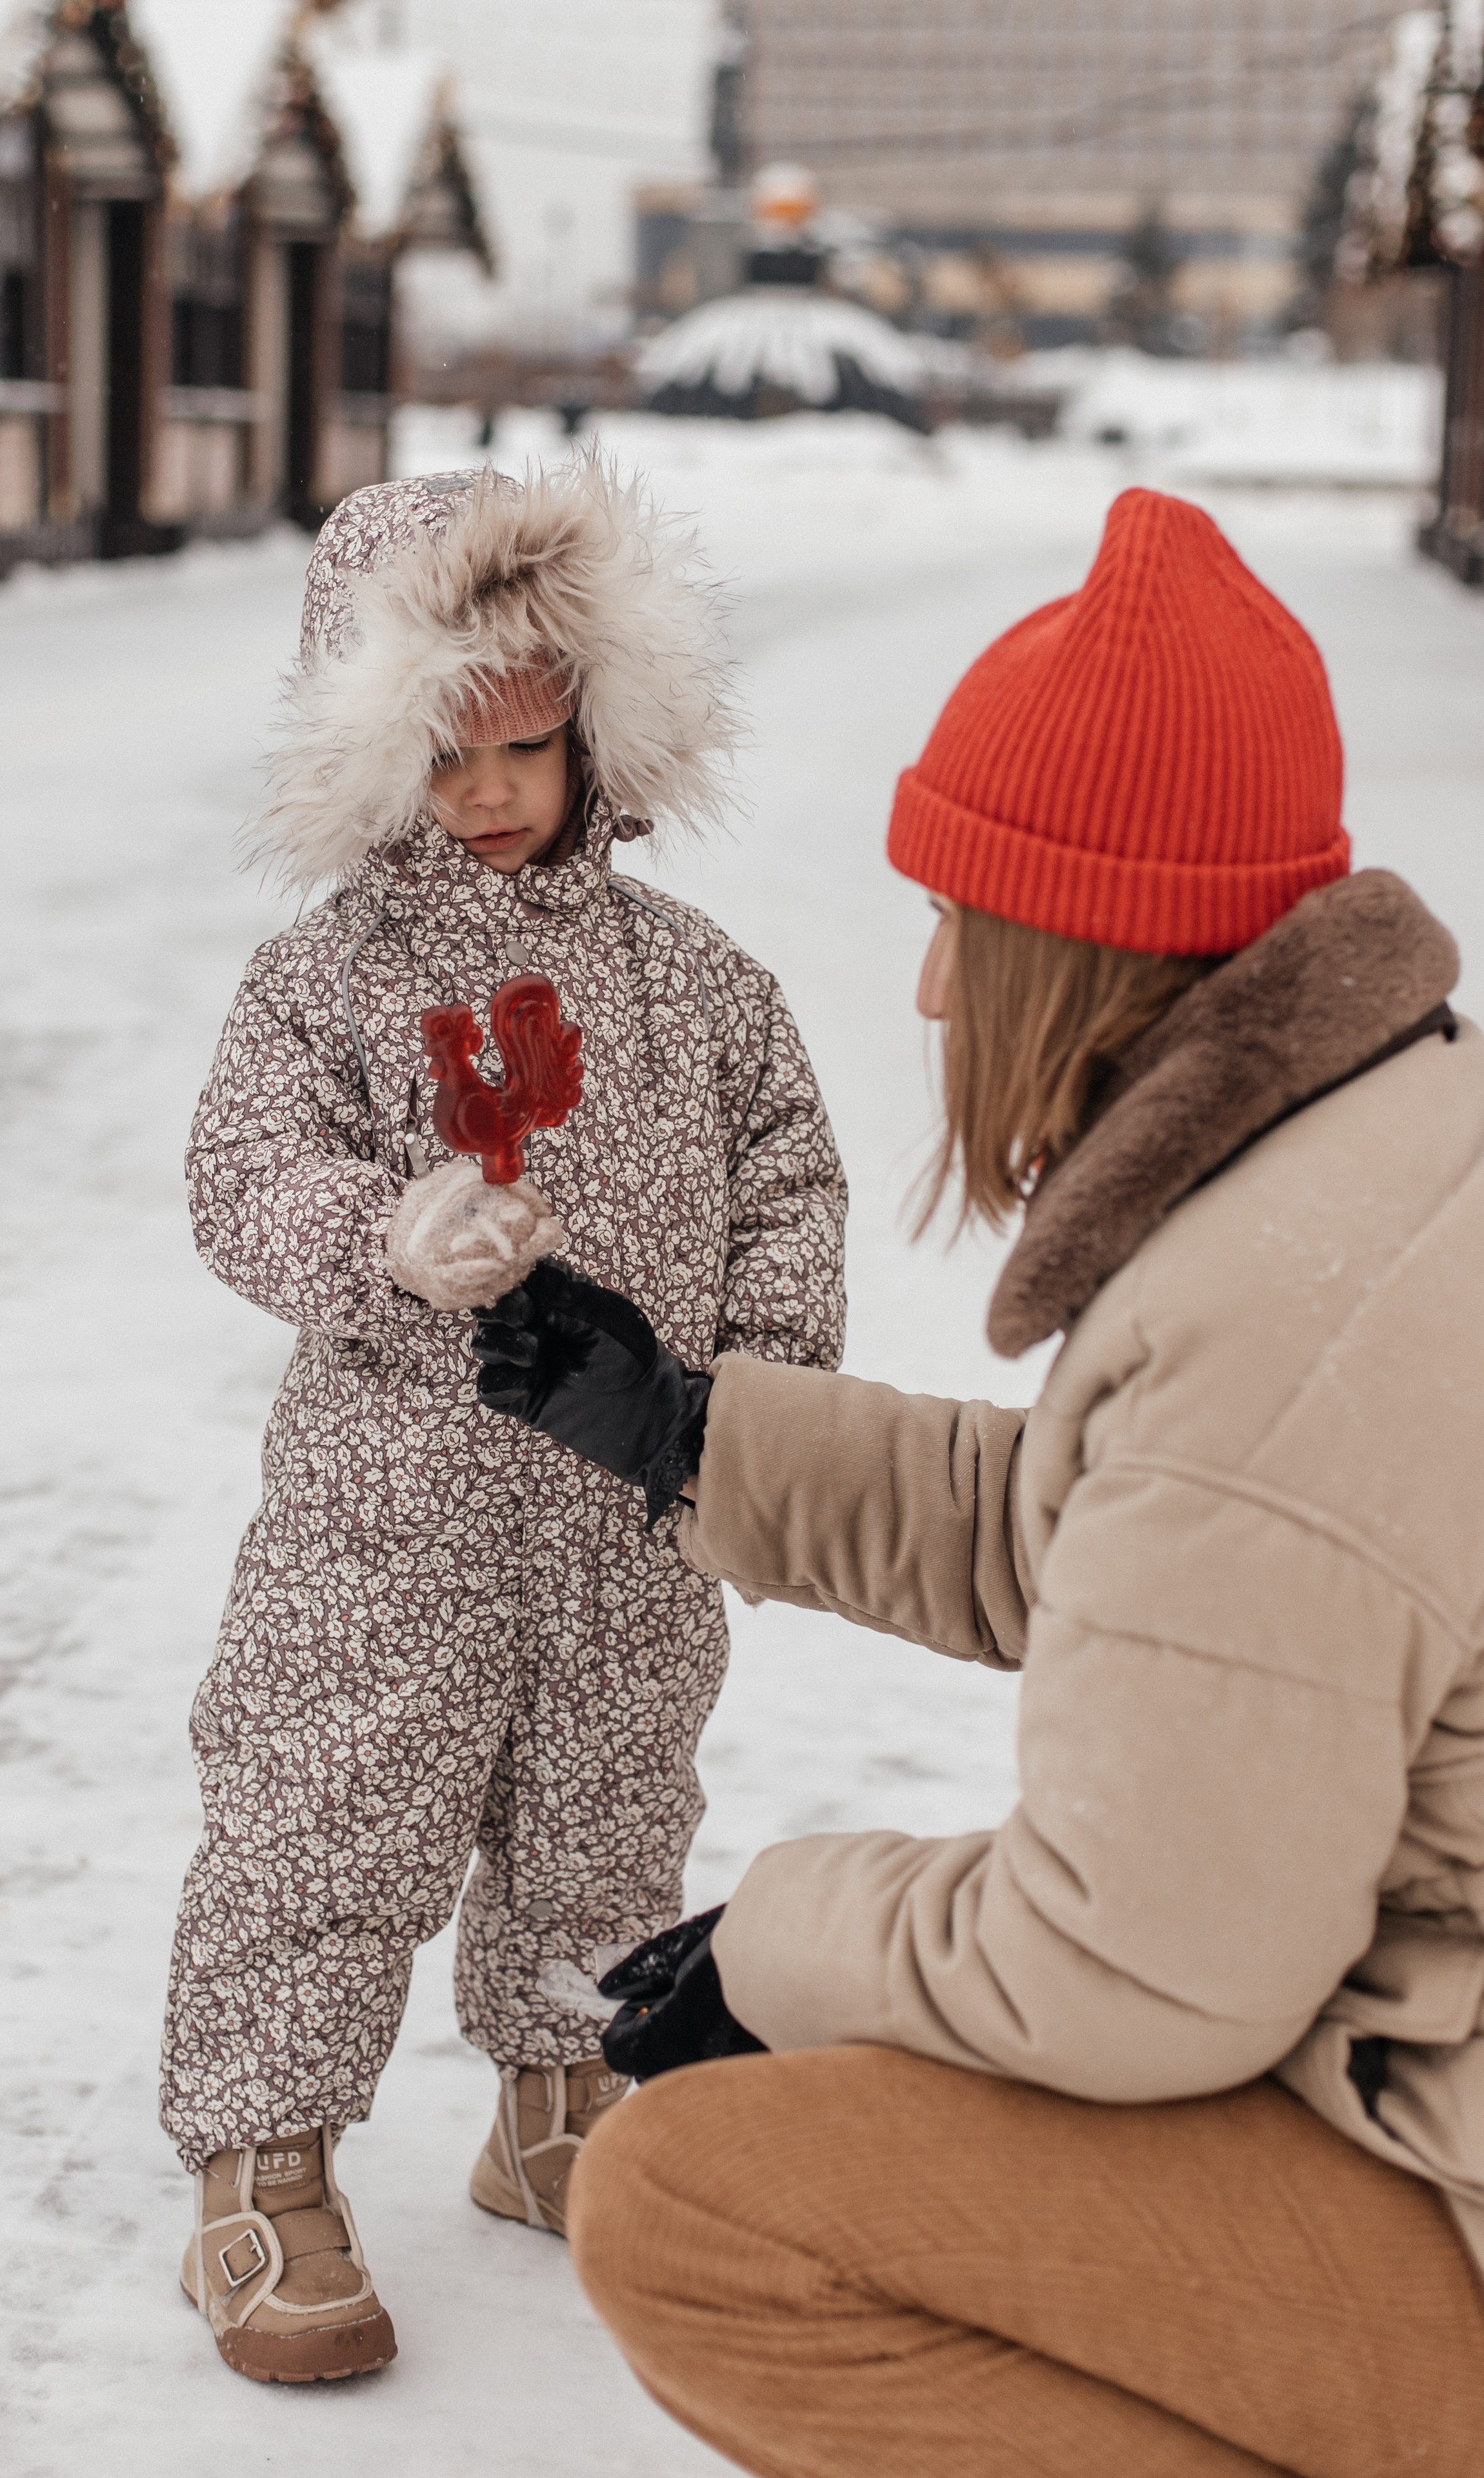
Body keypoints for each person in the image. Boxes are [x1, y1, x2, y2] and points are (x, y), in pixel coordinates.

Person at [473, 487, 1484, 2475]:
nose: (929, 991)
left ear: (1073, 944)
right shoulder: (1394, 1147)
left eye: (955, 921)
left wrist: (775, 1935)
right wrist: (693, 1430)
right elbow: (1143, 1543)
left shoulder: (1274, 1336)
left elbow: (1137, 1967)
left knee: (702, 2202)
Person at [160, 459, 847, 2384]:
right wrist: (383, 1236)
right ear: (370, 754)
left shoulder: (697, 986)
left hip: (630, 1515)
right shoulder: (324, 987)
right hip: (387, 1528)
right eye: (445, 759)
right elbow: (240, 1174)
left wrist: (752, 1393)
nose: (489, 798)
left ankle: (563, 2100)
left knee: (612, 1829)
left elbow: (791, 1174)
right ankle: (262, 2158)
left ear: (594, 736)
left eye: (530, 751)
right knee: (322, 1827)